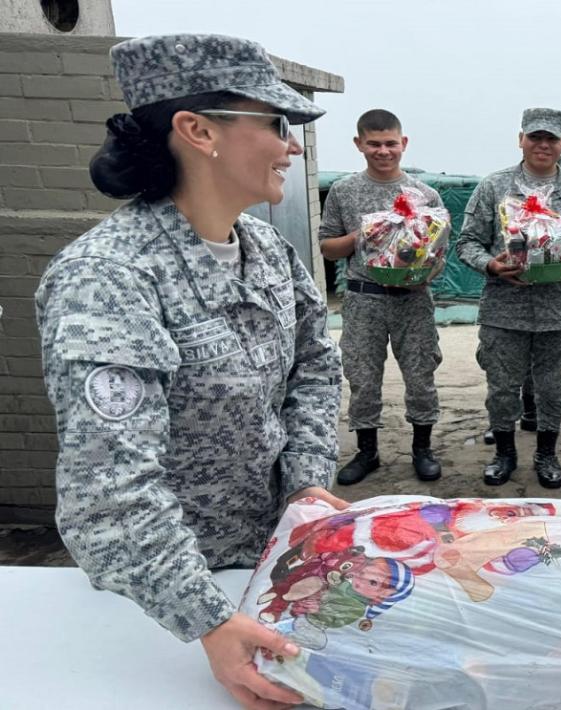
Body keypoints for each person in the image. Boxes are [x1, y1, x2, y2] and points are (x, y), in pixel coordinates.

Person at [35, 34, 345, 709]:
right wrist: (206, 619)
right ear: (198, 131)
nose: (291, 146)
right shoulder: (108, 278)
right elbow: (109, 492)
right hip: (163, 610)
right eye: (275, 123)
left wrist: (305, 487)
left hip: (263, 569)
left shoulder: (263, 248)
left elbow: (316, 370)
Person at [457, 108, 561, 489]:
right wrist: (491, 265)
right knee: (502, 386)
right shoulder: (495, 187)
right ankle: (505, 453)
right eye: (535, 137)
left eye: (552, 139)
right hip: (504, 310)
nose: (543, 145)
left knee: (553, 389)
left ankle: (546, 453)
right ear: (520, 139)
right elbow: (467, 242)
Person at [317, 109, 445, 485]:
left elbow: (439, 252)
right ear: (359, 144)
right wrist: (366, 234)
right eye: (374, 143)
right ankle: (366, 451)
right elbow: (327, 248)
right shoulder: (344, 191)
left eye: (391, 143)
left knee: (421, 374)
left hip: (413, 297)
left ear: (403, 143)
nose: (383, 151)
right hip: (364, 298)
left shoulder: (425, 195)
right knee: (362, 376)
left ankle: (422, 448)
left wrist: (420, 268)